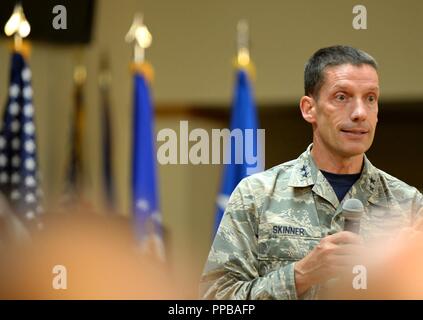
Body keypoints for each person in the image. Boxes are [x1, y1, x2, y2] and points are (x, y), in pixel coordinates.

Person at [199, 45, 423, 300]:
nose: (360, 113)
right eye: (342, 97)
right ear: (309, 109)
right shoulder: (256, 195)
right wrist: (300, 275)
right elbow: (216, 299)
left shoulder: (409, 205)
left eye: (370, 98)